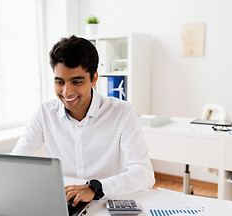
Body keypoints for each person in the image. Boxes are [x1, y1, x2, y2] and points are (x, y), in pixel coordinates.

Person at [11, 35, 155, 206]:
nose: (67, 92)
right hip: (64, 203)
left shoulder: (121, 112)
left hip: (105, 202)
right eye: (59, 82)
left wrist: (95, 188)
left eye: (76, 81)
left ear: (94, 79)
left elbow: (144, 173)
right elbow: (16, 163)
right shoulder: (45, 112)